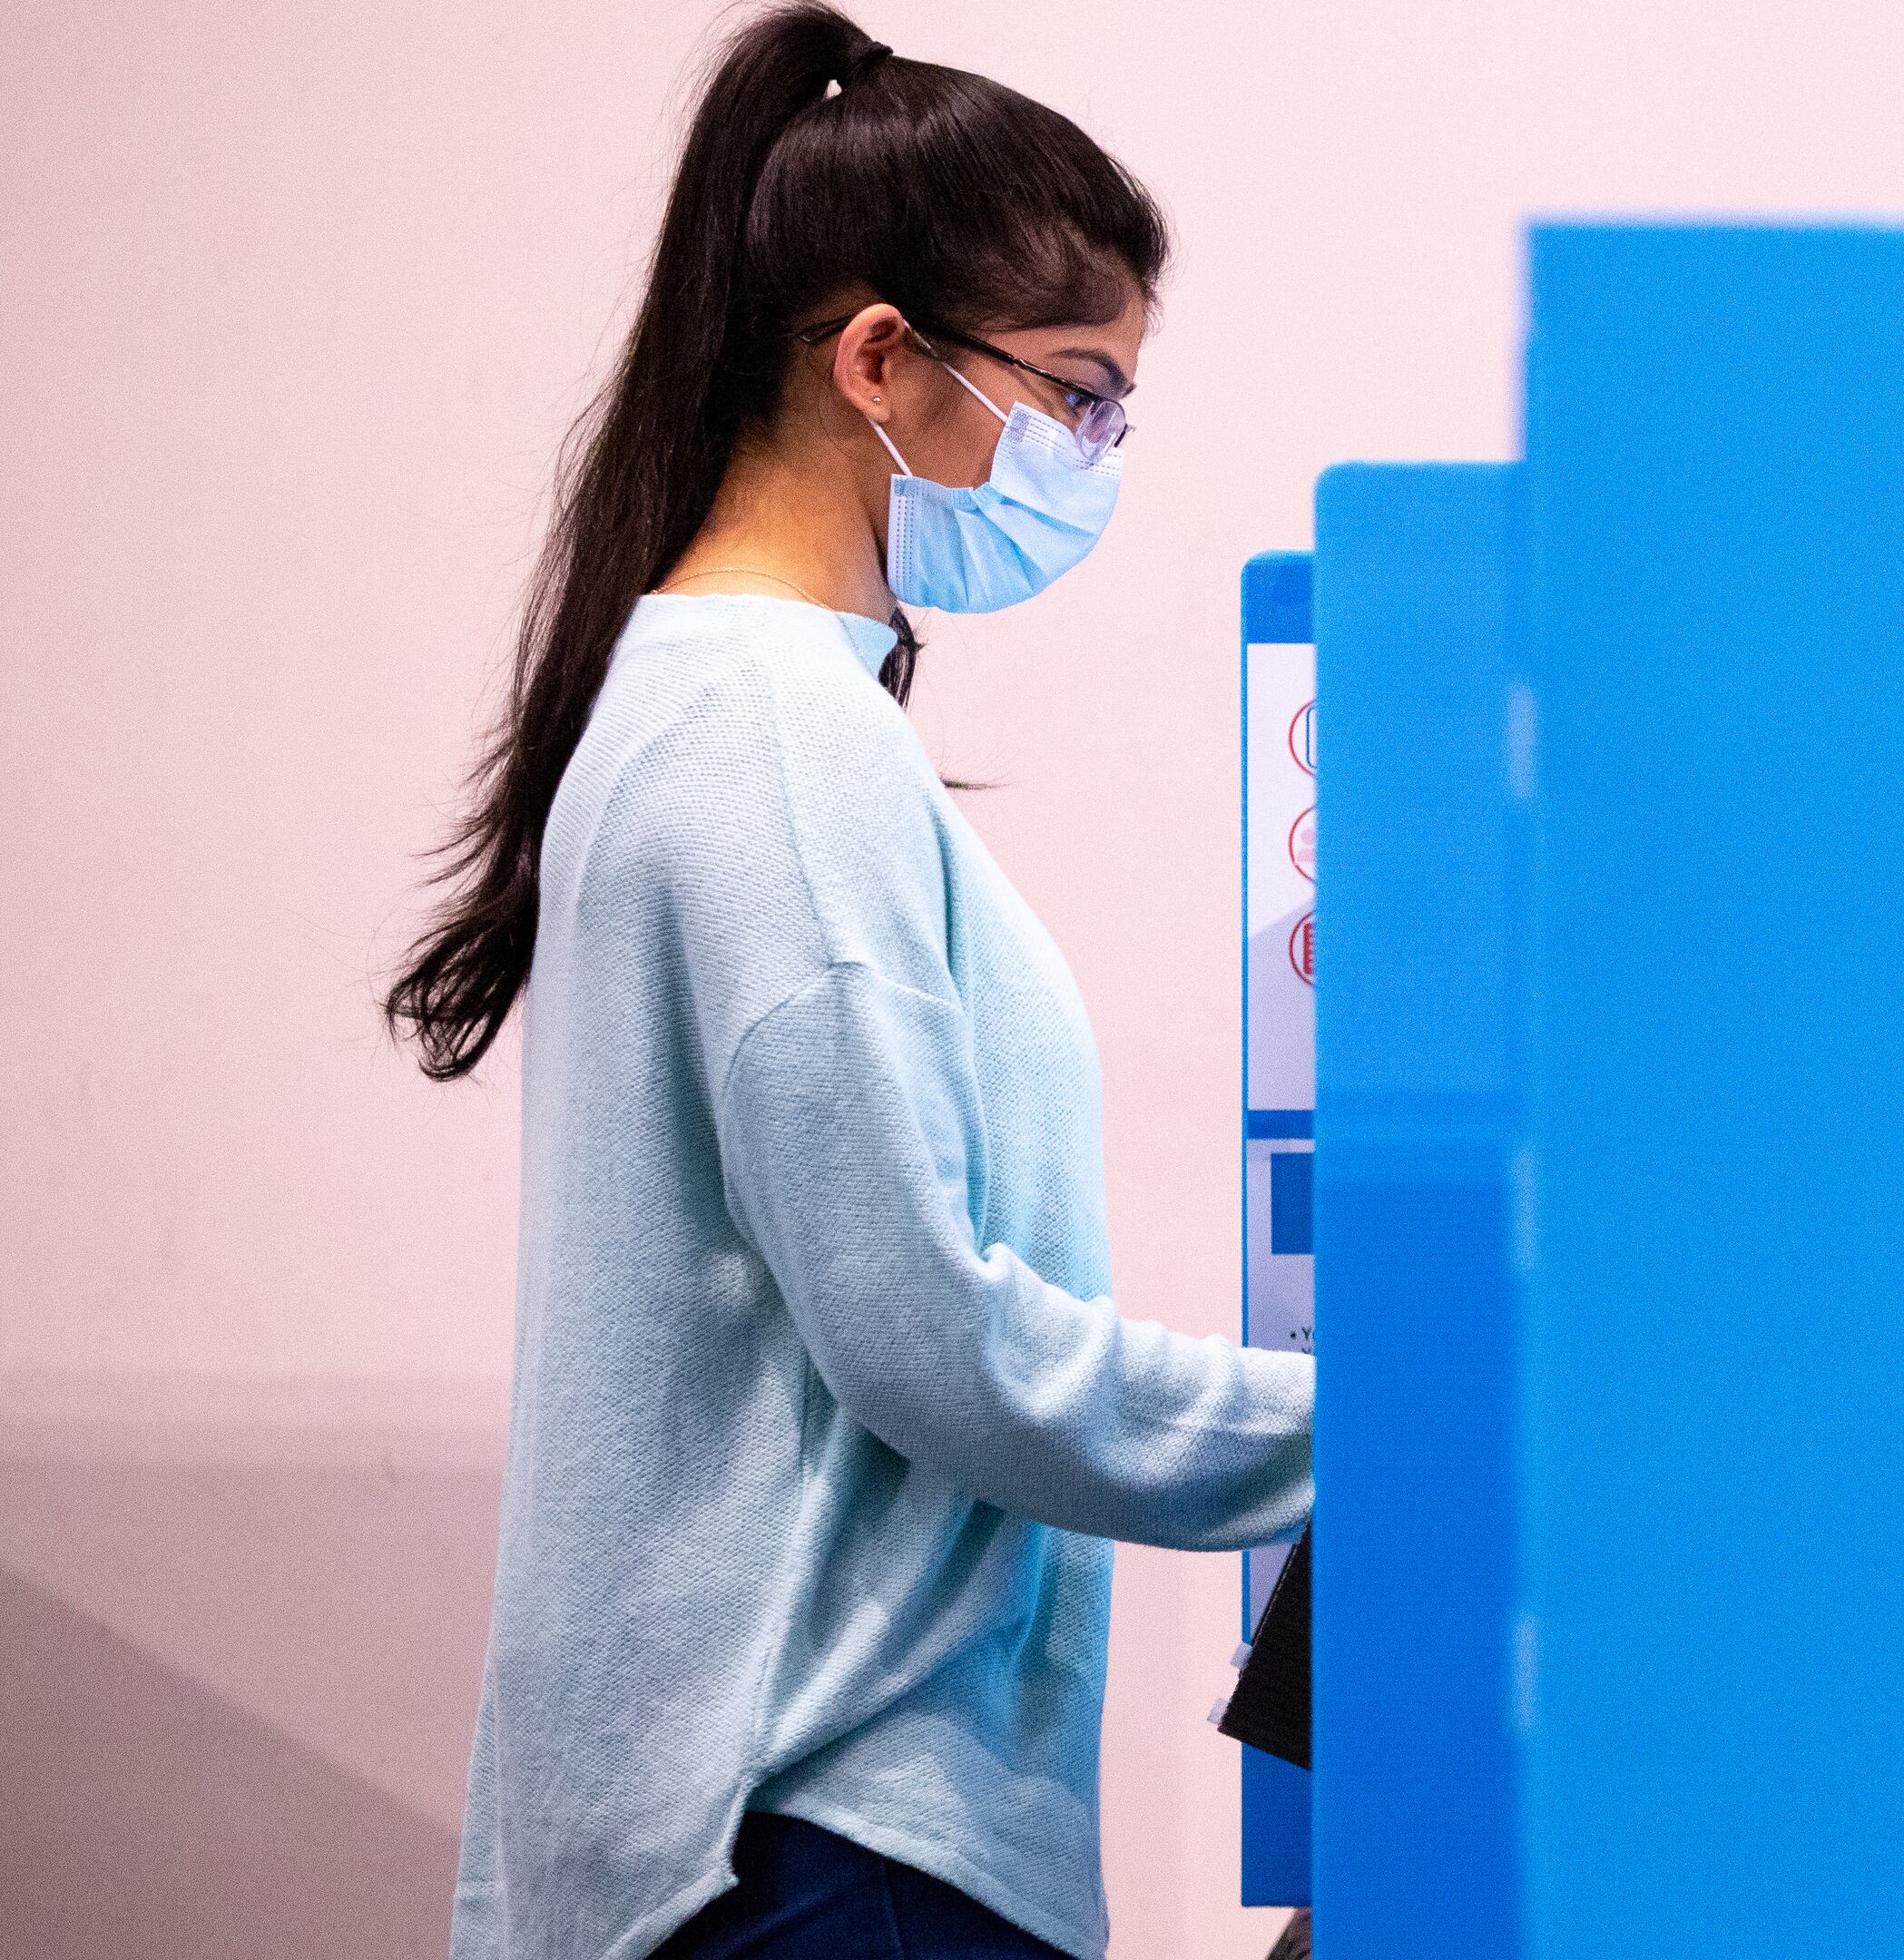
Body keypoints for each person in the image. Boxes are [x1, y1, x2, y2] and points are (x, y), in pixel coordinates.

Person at [384, 9, 1312, 1956]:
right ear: (878, 356)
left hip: (794, 1835)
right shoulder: (773, 749)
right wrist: (1386, 1414)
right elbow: (932, 1338)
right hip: (821, 1836)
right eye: (1078, 394)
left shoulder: (739, 716)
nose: (1096, 459)